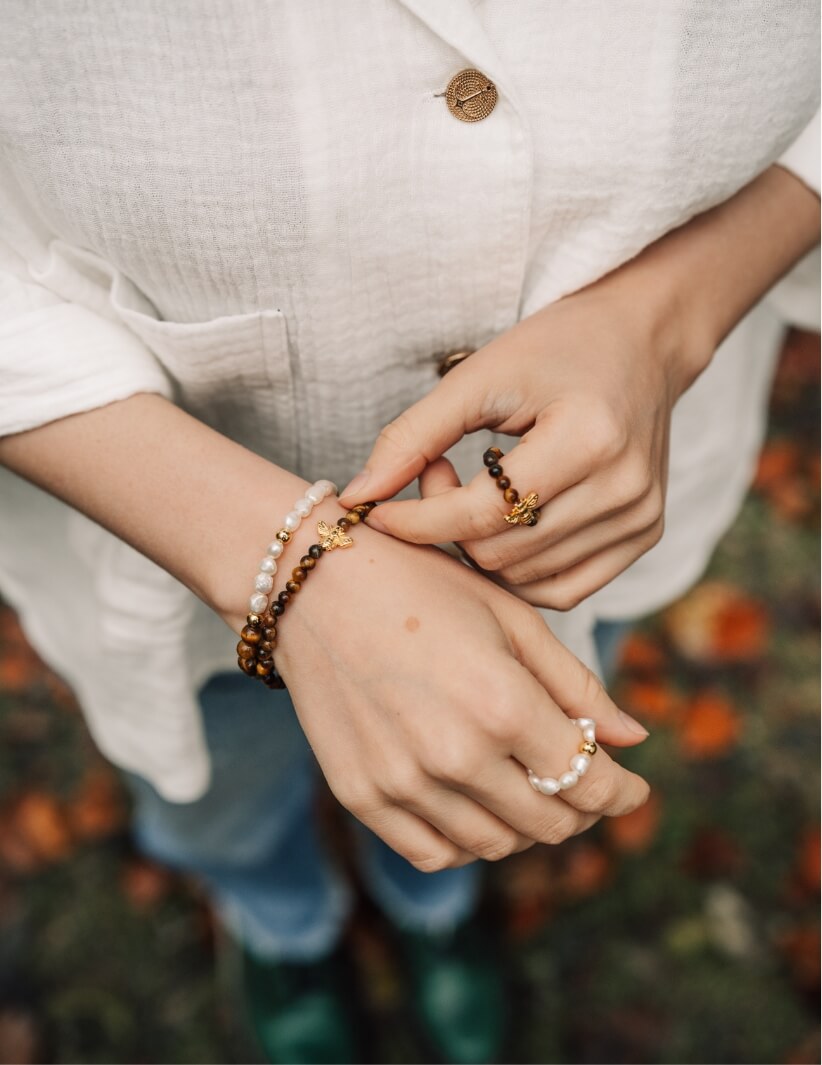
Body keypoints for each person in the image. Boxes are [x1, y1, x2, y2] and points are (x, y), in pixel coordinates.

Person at [0, 3, 818, 1063]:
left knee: (496, 757)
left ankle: (434, 899)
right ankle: (280, 923)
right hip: (155, 537)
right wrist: (284, 563)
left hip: (588, 526)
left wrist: (668, 319)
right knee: (225, 793)